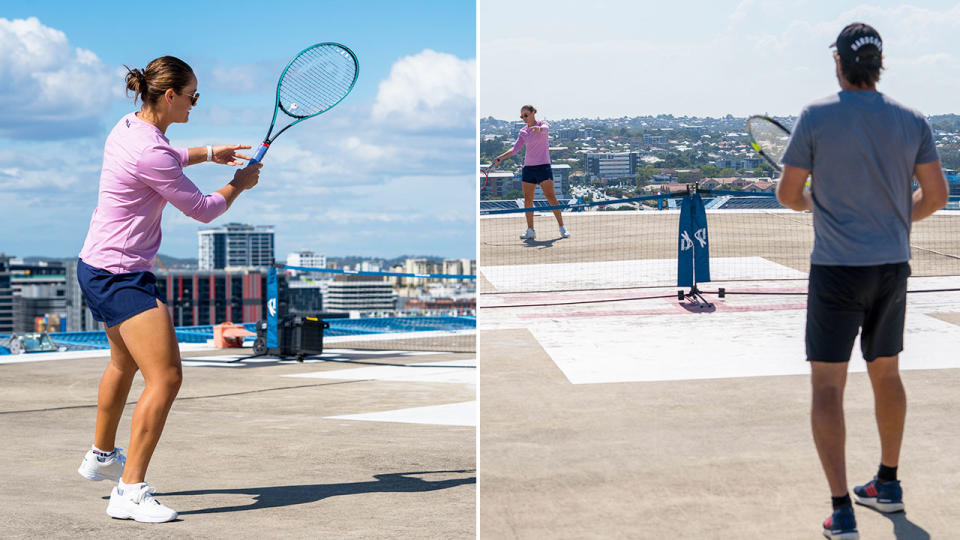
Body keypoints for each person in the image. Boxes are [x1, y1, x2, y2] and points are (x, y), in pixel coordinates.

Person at [776, 23, 948, 540]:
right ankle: (888, 486)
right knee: (887, 374)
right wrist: (894, 219)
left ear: (838, 63)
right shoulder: (911, 119)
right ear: (879, 65)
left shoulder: (816, 116)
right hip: (891, 267)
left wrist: (813, 202)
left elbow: (788, 194)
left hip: (836, 269)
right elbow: (936, 196)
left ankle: (842, 511)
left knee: (828, 386)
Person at [75, 56, 262, 523]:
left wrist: (208, 151)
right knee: (167, 377)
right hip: (121, 274)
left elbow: (163, 156)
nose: (196, 103)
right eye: (193, 95)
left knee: (122, 362)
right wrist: (239, 184)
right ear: (171, 96)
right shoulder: (150, 150)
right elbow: (202, 208)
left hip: (97, 264)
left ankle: (101, 456)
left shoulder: (129, 127)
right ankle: (130, 491)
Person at [494, 105, 569, 240]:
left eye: (526, 115)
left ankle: (562, 227)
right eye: (522, 116)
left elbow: (545, 130)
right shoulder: (523, 132)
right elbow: (515, 149)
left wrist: (538, 129)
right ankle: (530, 230)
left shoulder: (542, 124)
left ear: (533, 112)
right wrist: (500, 157)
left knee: (551, 198)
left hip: (543, 167)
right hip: (528, 168)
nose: (524, 118)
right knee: (528, 201)